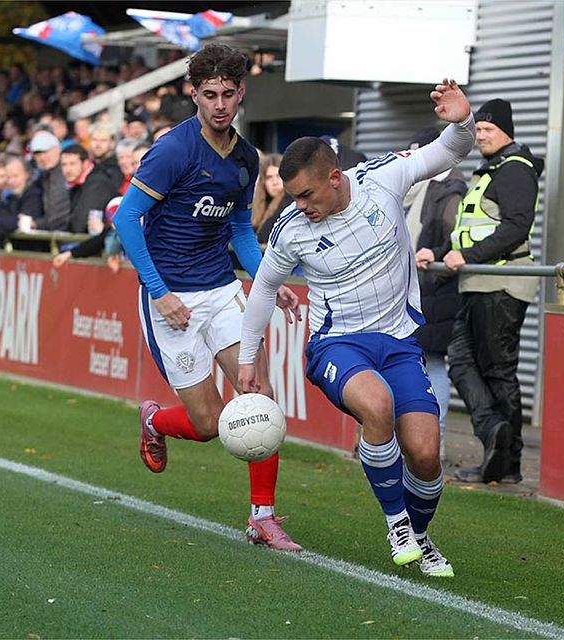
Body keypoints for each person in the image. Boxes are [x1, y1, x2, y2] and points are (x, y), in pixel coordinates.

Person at [238, 78, 475, 577]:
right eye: (292, 196)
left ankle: (422, 537)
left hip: (399, 343)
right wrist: (247, 360)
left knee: (428, 455)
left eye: (305, 194)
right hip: (336, 344)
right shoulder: (291, 230)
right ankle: (397, 525)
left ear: (336, 178)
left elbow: (447, 149)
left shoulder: (382, 178)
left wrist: (461, 119)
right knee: (377, 406)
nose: (298, 205)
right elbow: (262, 289)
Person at [113, 43, 304, 552]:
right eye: (209, 94)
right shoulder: (173, 150)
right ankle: (154, 419)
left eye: (228, 94)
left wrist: (267, 278)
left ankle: (262, 516)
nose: (220, 104)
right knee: (206, 424)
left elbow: (241, 229)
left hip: (221, 290)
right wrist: (159, 292)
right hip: (171, 296)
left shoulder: (246, 157)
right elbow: (125, 220)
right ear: (193, 93)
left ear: (241, 93)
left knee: (258, 397)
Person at [415, 98, 542, 486]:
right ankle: (493, 436)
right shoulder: (492, 170)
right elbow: (471, 230)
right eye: (479, 129)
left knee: (497, 370)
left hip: (500, 283)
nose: (481, 135)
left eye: (487, 129)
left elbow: (515, 228)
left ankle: (507, 458)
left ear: (506, 131)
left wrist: (466, 255)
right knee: (465, 363)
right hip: (479, 281)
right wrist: (436, 253)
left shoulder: (515, 170)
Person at [405, 126, 467, 461]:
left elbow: (454, 237)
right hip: (421, 290)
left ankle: (434, 445)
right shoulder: (424, 186)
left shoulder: (450, 188)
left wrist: (436, 254)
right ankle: (419, 443)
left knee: (433, 365)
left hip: (435, 292)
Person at [252, 153, 291, 244]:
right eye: (269, 177)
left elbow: (264, 236)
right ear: (263, 181)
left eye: (278, 176)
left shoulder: (289, 201)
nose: (275, 182)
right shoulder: (259, 204)